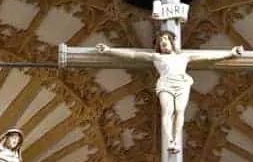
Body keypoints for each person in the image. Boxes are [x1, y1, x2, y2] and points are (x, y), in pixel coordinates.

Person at [96, 34, 243, 152]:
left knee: (179, 111)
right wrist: (109, 50)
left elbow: (208, 57)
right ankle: (170, 140)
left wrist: (230, 53)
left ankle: (175, 140)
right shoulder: (157, 57)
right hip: (165, 84)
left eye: (166, 39)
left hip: (181, 84)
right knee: (168, 111)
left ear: (172, 42)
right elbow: (133, 55)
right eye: (161, 41)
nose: (163, 42)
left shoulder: (184, 57)